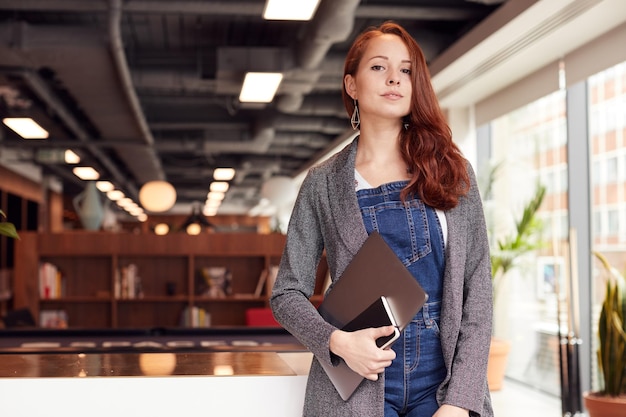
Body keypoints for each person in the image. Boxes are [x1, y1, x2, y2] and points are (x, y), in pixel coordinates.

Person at [270, 21, 493, 417]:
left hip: (441, 385)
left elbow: (477, 289)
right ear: (351, 85)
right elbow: (286, 293)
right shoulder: (323, 183)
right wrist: (336, 342)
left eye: (406, 70)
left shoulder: (452, 173)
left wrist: (460, 399)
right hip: (357, 383)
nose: (394, 78)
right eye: (378, 67)